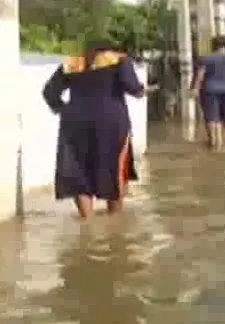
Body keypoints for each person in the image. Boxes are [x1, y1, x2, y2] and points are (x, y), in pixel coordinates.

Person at [42, 42, 147, 220]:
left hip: (75, 123)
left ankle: (87, 222)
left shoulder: (72, 63)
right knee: (113, 170)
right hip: (111, 123)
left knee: (79, 172)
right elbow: (133, 88)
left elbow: (49, 92)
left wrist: (62, 109)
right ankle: (115, 222)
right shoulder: (120, 60)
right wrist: (142, 90)